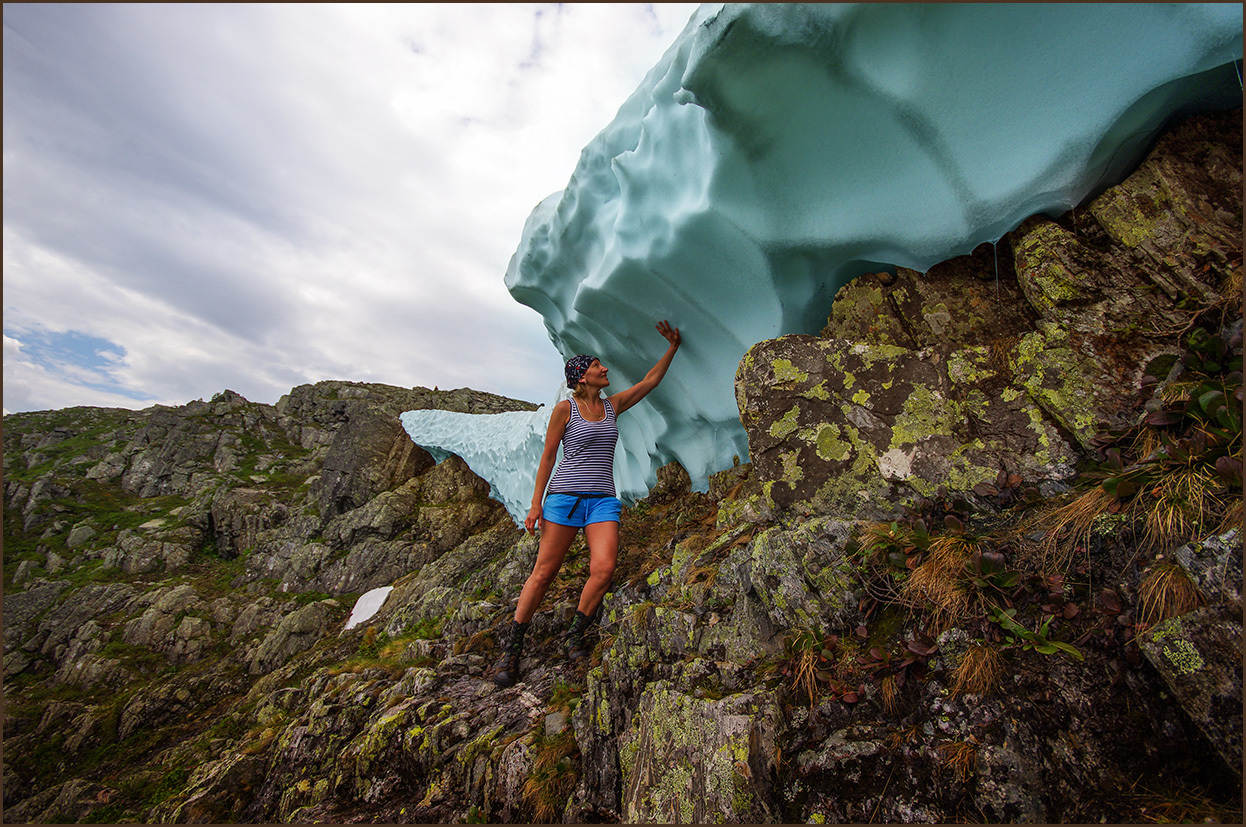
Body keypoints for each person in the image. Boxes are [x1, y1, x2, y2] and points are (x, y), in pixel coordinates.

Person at [493, 320, 682, 687]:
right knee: (544, 573)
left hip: (602, 501)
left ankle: (574, 635)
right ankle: (512, 646)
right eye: (598, 366)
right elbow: (548, 457)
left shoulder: (612, 407)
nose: (604, 369)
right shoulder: (565, 409)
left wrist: (672, 348)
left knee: (604, 568)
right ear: (582, 377)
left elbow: (650, 382)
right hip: (563, 498)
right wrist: (536, 505)